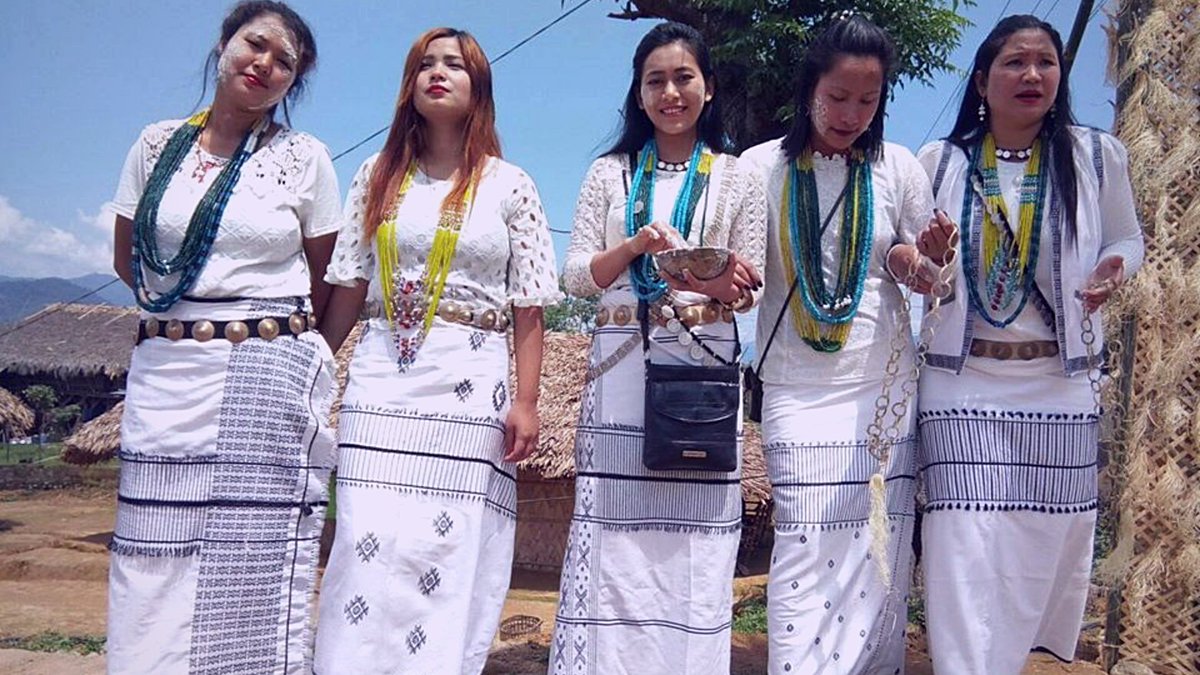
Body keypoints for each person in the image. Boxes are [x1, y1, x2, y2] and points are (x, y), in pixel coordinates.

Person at [312, 27, 561, 674]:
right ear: (409, 84)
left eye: (455, 64)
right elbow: (347, 289)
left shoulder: (511, 185)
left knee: (442, 551)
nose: (438, 73)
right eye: (426, 64)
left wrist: (528, 401)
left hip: (470, 382)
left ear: (480, 85)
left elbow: (528, 306)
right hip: (378, 380)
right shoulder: (376, 175)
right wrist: (311, 362)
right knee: (364, 544)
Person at [106, 2, 339, 672]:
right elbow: (131, 260)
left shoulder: (303, 157)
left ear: (294, 81)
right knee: (152, 549)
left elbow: (332, 276)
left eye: (285, 62)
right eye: (256, 44)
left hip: (265, 367)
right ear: (224, 45)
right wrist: (189, 321)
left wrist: (300, 351)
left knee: (250, 554)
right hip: (167, 367)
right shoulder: (154, 145)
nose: (264, 64)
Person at [915, 14, 1144, 674]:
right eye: (1016, 63)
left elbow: (1128, 237)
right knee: (960, 540)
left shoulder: (1096, 156)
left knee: (1044, 542)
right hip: (962, 381)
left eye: (1046, 62)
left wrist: (1115, 269)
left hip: (1060, 382)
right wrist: (928, 261)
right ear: (983, 81)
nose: (1034, 74)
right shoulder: (943, 162)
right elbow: (910, 259)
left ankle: (1010, 661)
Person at [549, 21, 766, 675]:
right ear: (638, 95)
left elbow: (748, 288)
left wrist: (692, 273)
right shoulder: (608, 173)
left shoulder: (735, 176)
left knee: (692, 550)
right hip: (619, 369)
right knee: (615, 545)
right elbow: (577, 276)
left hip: (699, 368)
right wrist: (637, 248)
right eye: (656, 80)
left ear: (708, 87)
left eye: (683, 77)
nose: (670, 91)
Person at [741, 15, 951, 674]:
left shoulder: (899, 167)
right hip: (796, 389)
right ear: (809, 89)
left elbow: (917, 270)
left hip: (883, 393)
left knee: (878, 549)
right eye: (838, 96)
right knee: (804, 543)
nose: (851, 113)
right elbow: (746, 275)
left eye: (869, 100)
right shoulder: (760, 167)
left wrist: (927, 262)